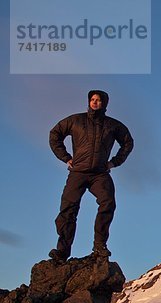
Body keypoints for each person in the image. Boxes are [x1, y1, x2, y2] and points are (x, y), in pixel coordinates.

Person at [48, 90, 134, 261]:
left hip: (100, 174)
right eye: (92, 99)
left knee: (108, 203)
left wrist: (114, 162)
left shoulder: (113, 125)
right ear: (89, 102)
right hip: (77, 172)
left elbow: (127, 142)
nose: (95, 102)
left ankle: (100, 246)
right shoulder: (75, 120)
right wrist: (65, 157)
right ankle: (62, 252)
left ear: (105, 103)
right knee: (68, 210)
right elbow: (55, 134)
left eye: (99, 100)